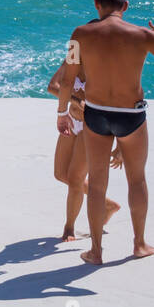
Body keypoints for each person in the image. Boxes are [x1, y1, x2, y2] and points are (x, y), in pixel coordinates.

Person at [56, 0, 154, 265]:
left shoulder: (79, 34)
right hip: (131, 116)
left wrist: (62, 112)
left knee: (97, 184)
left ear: (97, 5)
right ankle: (139, 244)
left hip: (96, 114)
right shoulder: (142, 35)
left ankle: (96, 252)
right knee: (136, 179)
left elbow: (68, 78)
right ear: (125, 6)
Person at [47, 58, 121, 241]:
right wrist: (75, 100)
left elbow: (120, 107)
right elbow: (53, 86)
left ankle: (69, 228)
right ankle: (107, 205)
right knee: (60, 174)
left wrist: (120, 144)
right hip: (72, 122)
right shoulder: (73, 60)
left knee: (75, 179)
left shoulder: (105, 69)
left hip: (93, 129)